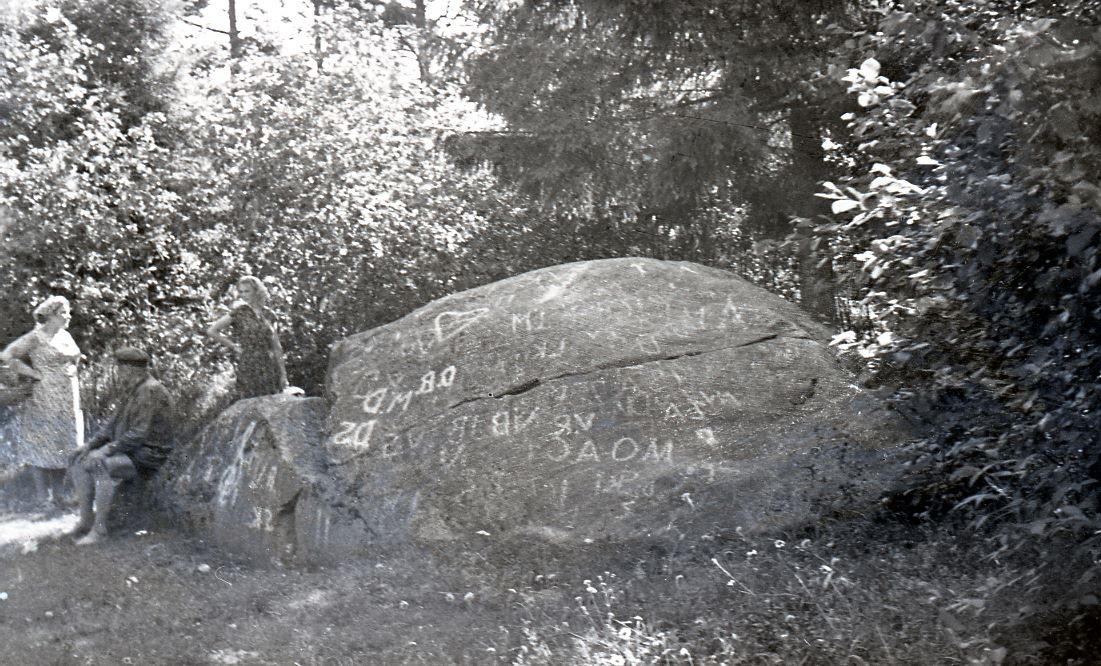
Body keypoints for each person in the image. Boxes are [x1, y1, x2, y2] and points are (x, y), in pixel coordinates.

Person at [68, 347, 176, 545]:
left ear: (132, 370)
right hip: (133, 451)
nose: (119, 374)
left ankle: (100, 531)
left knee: (98, 465)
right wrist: (89, 446)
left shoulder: (150, 391)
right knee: (79, 461)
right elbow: (111, 426)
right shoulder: (134, 389)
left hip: (150, 453)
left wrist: (105, 451)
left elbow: (138, 434)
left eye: (121, 370)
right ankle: (86, 521)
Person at [0, 295, 82, 507]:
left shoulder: (66, 336)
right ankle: (42, 497)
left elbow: (75, 357)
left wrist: (73, 367)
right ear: (52, 315)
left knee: (63, 443)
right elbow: (8, 356)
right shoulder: (36, 337)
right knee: (41, 443)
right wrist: (33, 374)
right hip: (44, 396)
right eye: (64, 313)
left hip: (67, 396)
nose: (68, 316)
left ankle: (58, 495)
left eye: (68, 312)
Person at [205, 275, 289, 400]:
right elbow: (212, 331)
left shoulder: (269, 314)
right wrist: (234, 347)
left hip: (269, 365)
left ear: (257, 291)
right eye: (241, 291)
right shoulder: (240, 312)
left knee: (271, 402)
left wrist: (283, 373)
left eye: (247, 291)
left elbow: (276, 346)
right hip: (249, 363)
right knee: (250, 402)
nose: (243, 295)